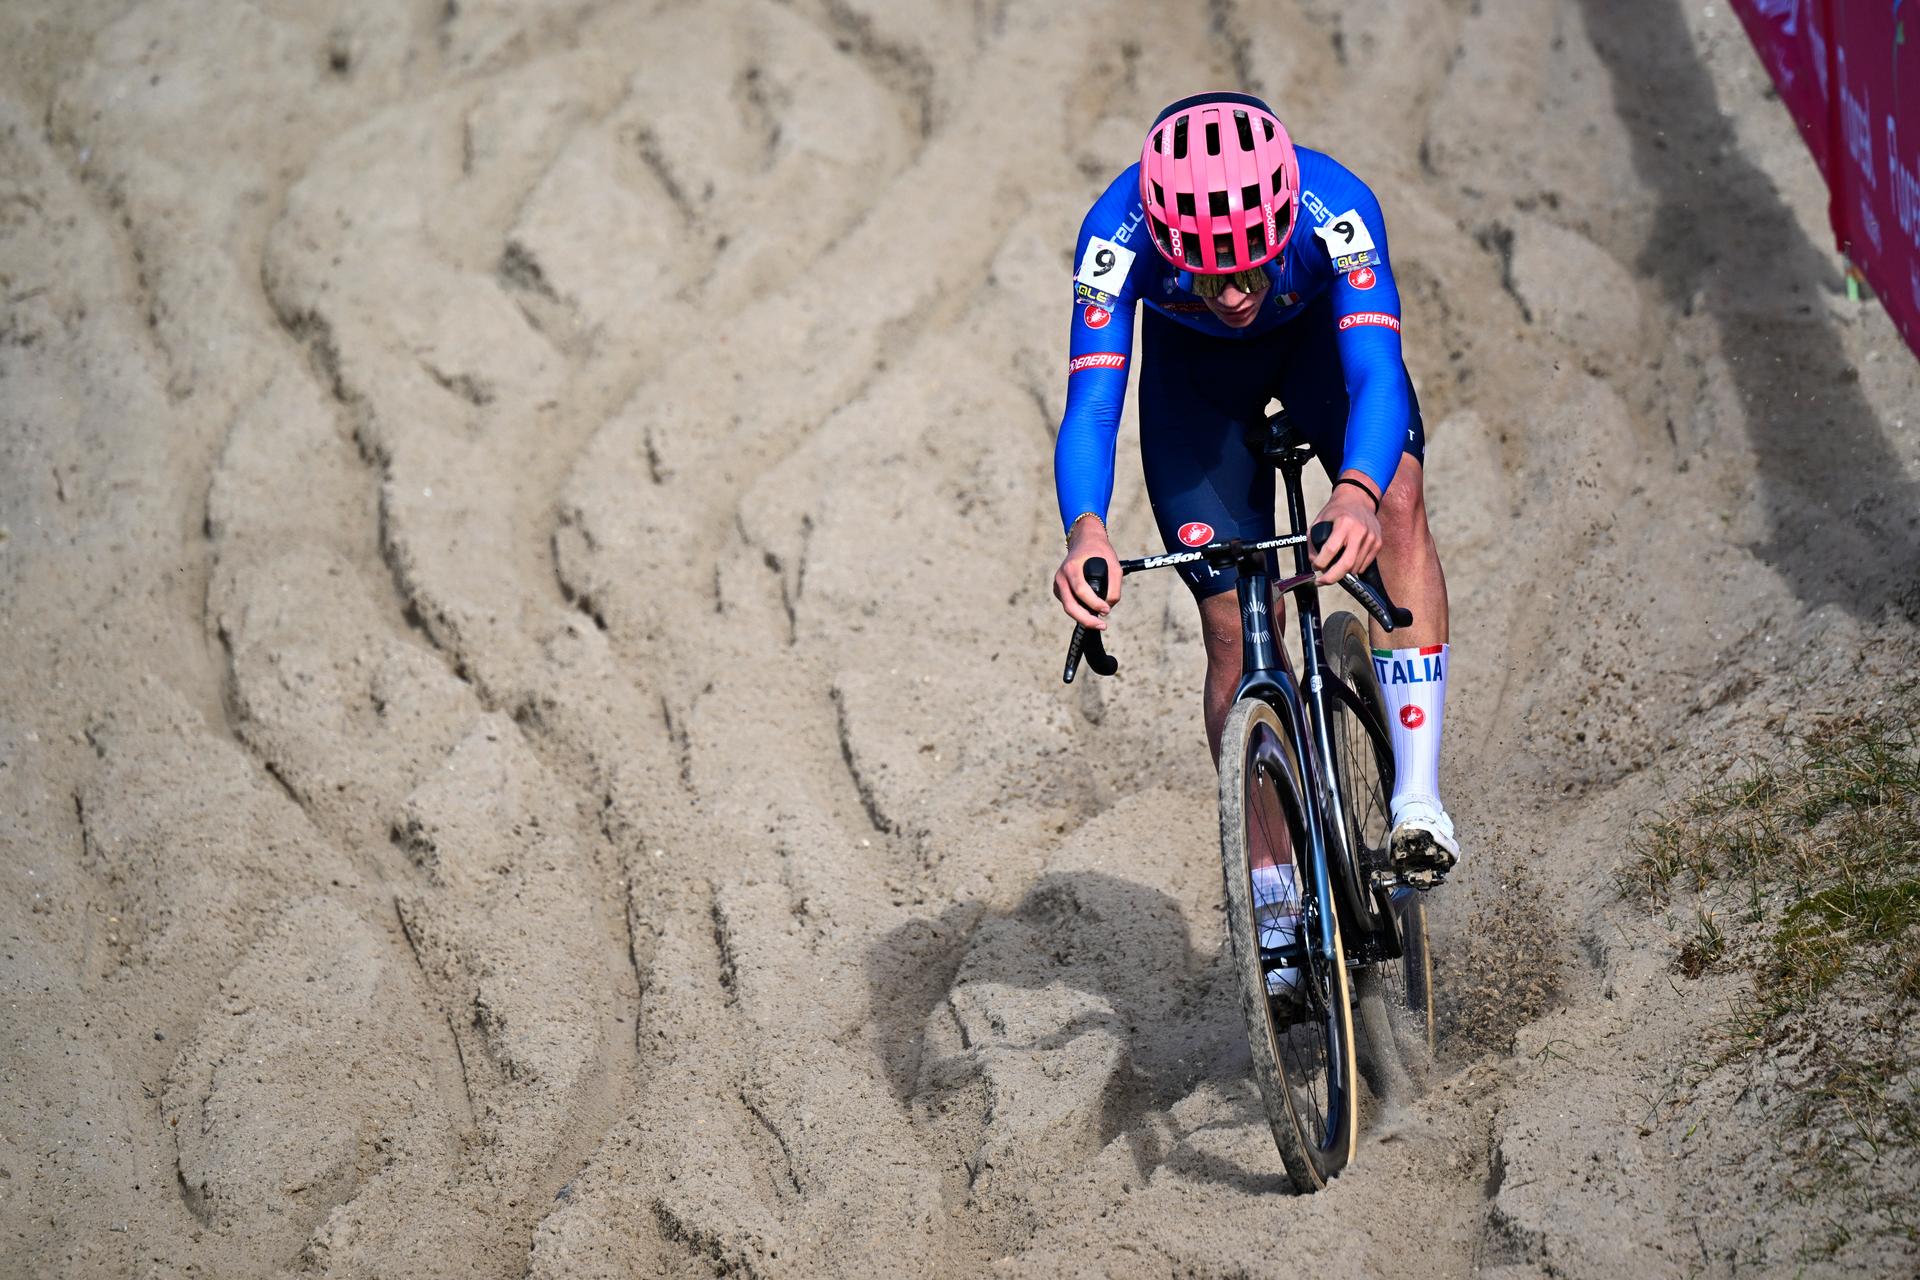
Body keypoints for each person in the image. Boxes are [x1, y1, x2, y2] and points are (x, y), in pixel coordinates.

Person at [1049, 91, 1457, 886]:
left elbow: (1374, 373)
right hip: (1195, 384)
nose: (1234, 297)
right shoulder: (1114, 233)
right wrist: (1086, 530)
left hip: (1318, 352)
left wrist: (1358, 491)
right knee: (1234, 630)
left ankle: (1417, 798)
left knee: (1399, 503)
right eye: (1208, 280)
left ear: (1279, 229)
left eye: (1250, 270)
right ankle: (1269, 886)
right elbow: (1094, 404)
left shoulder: (1336, 205)